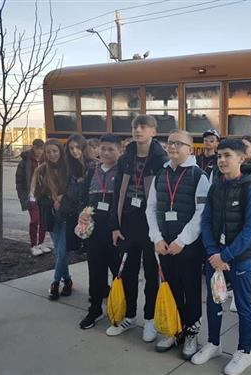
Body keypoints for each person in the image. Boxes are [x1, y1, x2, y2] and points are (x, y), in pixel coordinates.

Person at [191, 139, 251, 375]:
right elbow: (206, 221)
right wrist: (213, 253)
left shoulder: (250, 189)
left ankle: (244, 352)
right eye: (219, 155)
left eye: (227, 155)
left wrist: (225, 255)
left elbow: (250, 230)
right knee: (213, 301)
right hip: (215, 258)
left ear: (241, 158)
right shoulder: (215, 187)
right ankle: (213, 343)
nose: (221, 160)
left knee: (242, 305)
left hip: (240, 258)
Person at [146, 130, 210, 358]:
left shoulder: (198, 176)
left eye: (179, 143)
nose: (173, 147)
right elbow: (151, 208)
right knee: (171, 289)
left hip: (188, 247)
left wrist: (182, 240)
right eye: (170, 142)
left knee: (191, 290)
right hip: (164, 245)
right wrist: (157, 238)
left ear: (190, 149)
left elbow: (201, 213)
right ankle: (175, 329)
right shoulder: (159, 175)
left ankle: (191, 332)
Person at [107, 115, 167, 341]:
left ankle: (150, 319)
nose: (138, 130)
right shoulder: (125, 158)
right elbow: (116, 194)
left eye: (143, 126)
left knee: (152, 274)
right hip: (129, 223)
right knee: (127, 272)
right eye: (135, 126)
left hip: (150, 224)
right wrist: (115, 225)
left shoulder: (160, 159)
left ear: (153, 131)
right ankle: (130, 315)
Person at [78, 134, 122, 329]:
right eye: (103, 148)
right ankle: (95, 309)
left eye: (111, 149)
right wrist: (82, 214)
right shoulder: (91, 171)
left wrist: (117, 227)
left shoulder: (123, 172)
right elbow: (83, 198)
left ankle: (121, 311)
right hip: (94, 231)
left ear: (120, 150)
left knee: (119, 274)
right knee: (95, 272)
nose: (105, 152)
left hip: (115, 232)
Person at [33, 139, 70, 300]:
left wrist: (63, 198)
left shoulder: (68, 169)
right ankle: (67, 280)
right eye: (48, 152)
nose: (52, 154)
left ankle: (55, 282)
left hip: (67, 215)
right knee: (60, 251)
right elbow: (36, 195)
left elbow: (75, 191)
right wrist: (50, 200)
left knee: (62, 252)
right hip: (51, 215)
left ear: (60, 152)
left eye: (55, 151)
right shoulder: (40, 171)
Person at [62, 134, 95, 256]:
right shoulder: (69, 166)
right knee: (73, 246)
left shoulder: (93, 165)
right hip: (73, 210)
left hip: (89, 210)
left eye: (77, 147)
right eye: (71, 148)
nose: (74, 151)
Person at [15, 138, 49, 256]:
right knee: (35, 220)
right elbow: (19, 181)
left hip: (43, 195)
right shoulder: (25, 162)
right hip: (31, 195)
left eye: (41, 148)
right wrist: (24, 196)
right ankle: (33, 245)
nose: (40, 151)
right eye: (37, 148)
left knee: (44, 220)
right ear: (33, 147)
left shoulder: (46, 160)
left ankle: (41, 243)